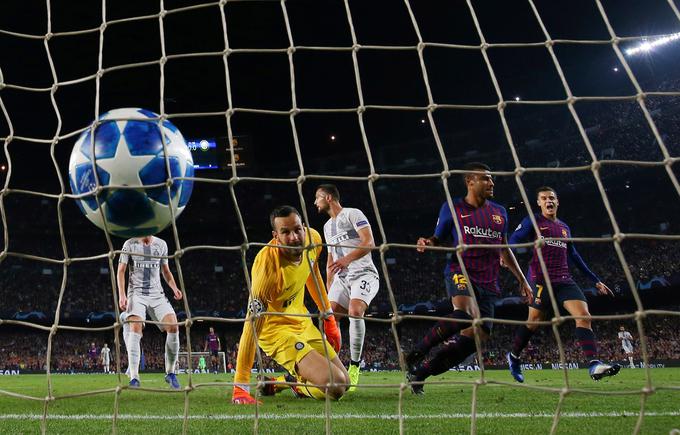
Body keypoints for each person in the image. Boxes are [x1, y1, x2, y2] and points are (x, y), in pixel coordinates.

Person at [405, 162, 532, 394]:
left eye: (492, 179)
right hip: (459, 270)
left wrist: (522, 280)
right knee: (465, 314)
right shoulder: (452, 208)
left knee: (475, 340)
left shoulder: (499, 212)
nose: (491, 183)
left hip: (489, 282)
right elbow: (438, 238)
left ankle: (421, 373)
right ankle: (419, 350)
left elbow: (504, 248)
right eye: (486, 178)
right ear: (470, 181)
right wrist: (427, 242)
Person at [231, 205, 346, 404]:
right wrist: (240, 386)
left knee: (346, 382)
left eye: (297, 229)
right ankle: (296, 384)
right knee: (335, 385)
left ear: (304, 227)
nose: (294, 237)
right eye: (285, 232)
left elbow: (312, 271)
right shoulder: (267, 270)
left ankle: (284, 383)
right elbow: (251, 326)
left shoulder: (314, 239)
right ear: (276, 236)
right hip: (277, 331)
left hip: (303, 321)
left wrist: (329, 318)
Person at [505, 186, 620, 382]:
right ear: (539, 203)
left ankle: (593, 364)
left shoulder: (564, 228)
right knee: (533, 323)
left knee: (584, 315)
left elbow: (574, 255)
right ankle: (513, 356)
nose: (548, 201)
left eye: (551, 198)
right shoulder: (532, 221)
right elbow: (514, 241)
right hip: (540, 279)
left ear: (557, 202)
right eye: (544, 198)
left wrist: (596, 280)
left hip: (564, 280)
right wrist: (519, 250)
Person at [314, 184, 380, 392]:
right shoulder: (326, 227)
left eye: (317, 198)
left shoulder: (353, 213)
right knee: (329, 319)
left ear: (329, 197)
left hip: (364, 273)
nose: (315, 202)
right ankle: (328, 368)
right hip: (341, 279)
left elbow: (369, 242)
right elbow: (331, 258)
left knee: (355, 311)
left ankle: (354, 366)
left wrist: (346, 260)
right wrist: (328, 283)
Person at [117, 234, 183, 389]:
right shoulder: (130, 243)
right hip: (136, 294)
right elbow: (121, 270)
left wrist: (174, 287)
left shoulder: (161, 244)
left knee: (174, 326)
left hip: (156, 294)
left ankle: (170, 372)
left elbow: (165, 271)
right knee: (136, 327)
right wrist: (122, 295)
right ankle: (134, 377)